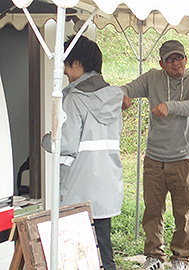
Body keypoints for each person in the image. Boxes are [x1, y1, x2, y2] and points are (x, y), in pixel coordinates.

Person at [42, 35, 130, 270]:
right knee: (103, 248)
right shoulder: (114, 98)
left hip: (79, 188)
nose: (65, 72)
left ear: (78, 64)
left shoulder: (74, 99)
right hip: (107, 186)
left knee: (78, 254)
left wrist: (46, 141)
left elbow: (66, 143)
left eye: (66, 65)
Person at [121, 40, 189, 270]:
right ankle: (153, 256)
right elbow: (126, 88)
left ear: (185, 59)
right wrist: (123, 97)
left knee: (184, 214)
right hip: (154, 158)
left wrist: (169, 106)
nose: (176, 63)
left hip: (184, 159)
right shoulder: (152, 78)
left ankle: (180, 258)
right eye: (170, 59)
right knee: (152, 211)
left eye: (179, 57)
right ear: (161, 63)